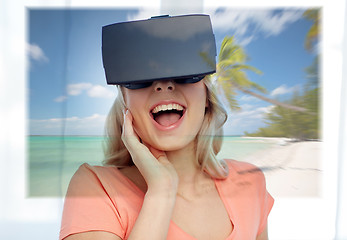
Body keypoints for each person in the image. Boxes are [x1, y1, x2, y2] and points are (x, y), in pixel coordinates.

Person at [59, 14, 274, 240]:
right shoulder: (96, 188)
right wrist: (161, 192)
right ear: (125, 102)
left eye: (185, 75)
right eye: (141, 78)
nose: (163, 84)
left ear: (207, 97)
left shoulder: (250, 182)